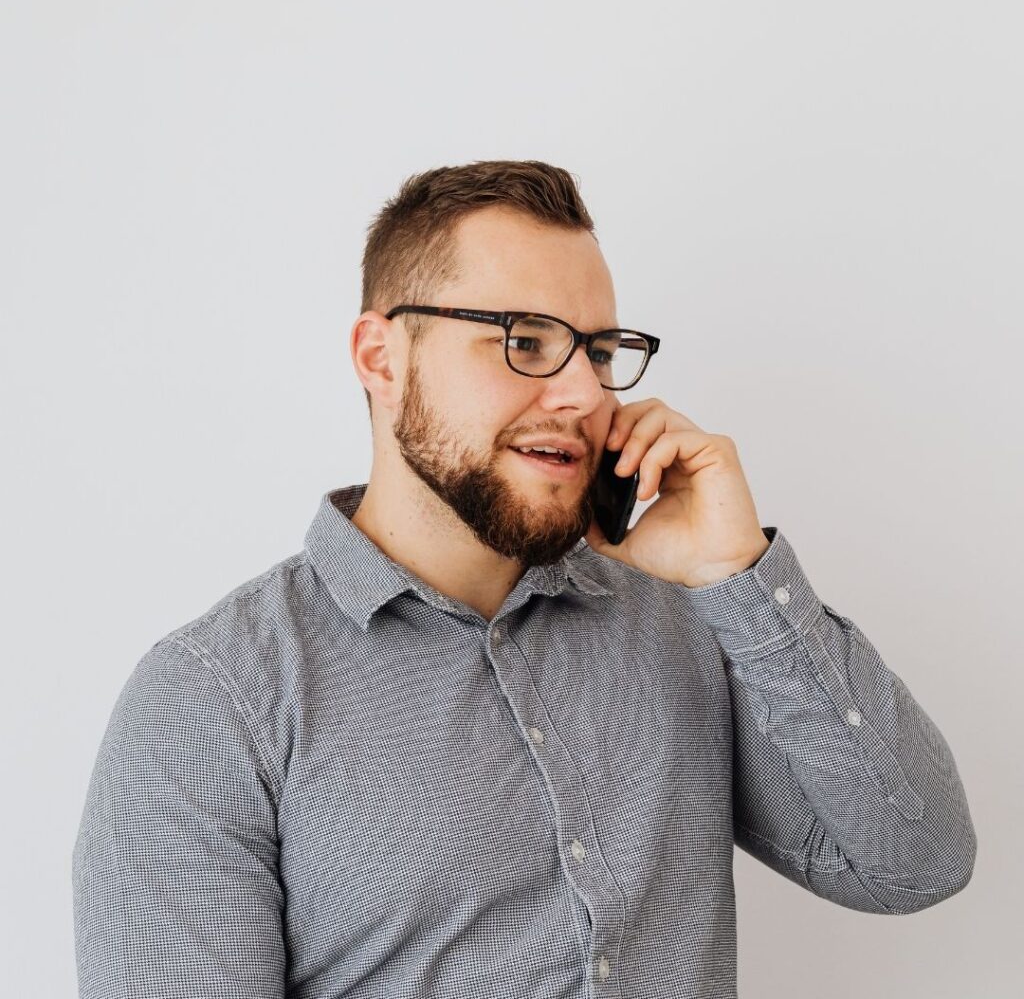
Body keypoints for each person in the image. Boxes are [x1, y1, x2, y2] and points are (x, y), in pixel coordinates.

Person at [71, 160, 977, 998]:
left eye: (599, 350)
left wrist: (738, 574)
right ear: (382, 359)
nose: (584, 395)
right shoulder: (210, 704)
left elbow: (915, 864)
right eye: (525, 340)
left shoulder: (689, 620)